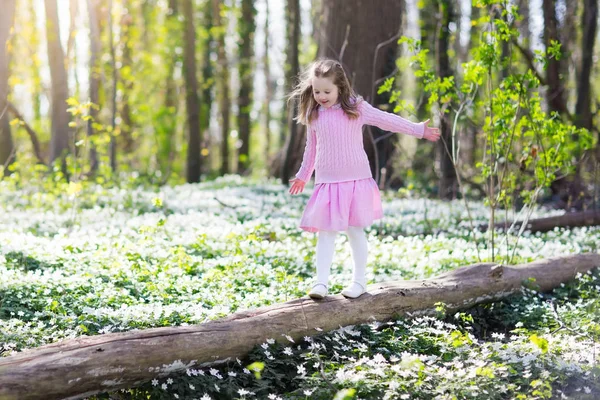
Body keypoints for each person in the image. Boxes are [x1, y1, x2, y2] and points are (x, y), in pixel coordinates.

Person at [288, 58, 440, 299]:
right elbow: (311, 149)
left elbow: (386, 119)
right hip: (327, 183)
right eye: (317, 91)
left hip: (355, 180)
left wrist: (418, 130)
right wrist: (302, 176)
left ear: (341, 87)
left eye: (327, 91)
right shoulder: (314, 114)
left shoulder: (356, 108)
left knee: (354, 231)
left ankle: (359, 282)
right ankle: (320, 284)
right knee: (326, 233)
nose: (321, 96)